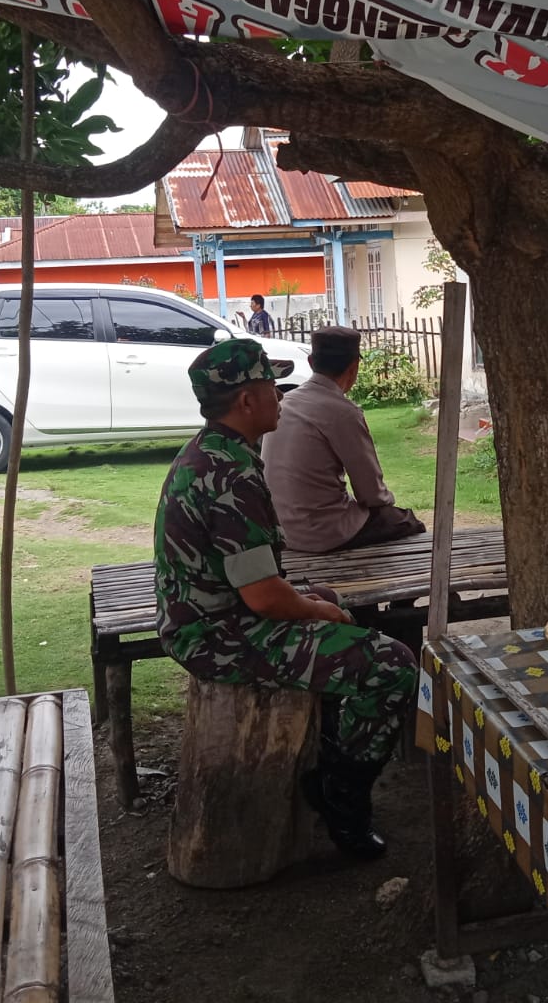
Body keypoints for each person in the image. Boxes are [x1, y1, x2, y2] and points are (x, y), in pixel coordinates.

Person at [152, 337, 417, 859]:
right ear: (246, 400)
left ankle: (328, 750)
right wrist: (319, 610)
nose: (280, 395)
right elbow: (265, 599)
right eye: (271, 386)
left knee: (329, 601)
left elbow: (255, 579)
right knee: (394, 665)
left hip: (212, 617)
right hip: (217, 636)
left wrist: (316, 602)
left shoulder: (210, 452)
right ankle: (342, 797)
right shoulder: (230, 474)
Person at [262, 326, 426, 552]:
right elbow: (372, 494)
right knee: (407, 521)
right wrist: (386, 505)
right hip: (323, 533)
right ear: (354, 367)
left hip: (281, 529)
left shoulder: (285, 403)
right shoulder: (343, 412)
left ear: (311, 362)